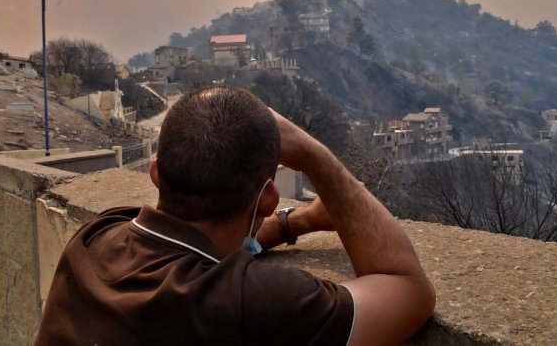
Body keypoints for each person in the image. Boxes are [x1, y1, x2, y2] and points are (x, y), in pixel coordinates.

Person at [35, 86, 435, 345]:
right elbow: (409, 291)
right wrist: (316, 157)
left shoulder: (96, 236)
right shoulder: (251, 304)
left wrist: (297, 223)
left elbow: (201, 252)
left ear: (155, 174)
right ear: (266, 199)